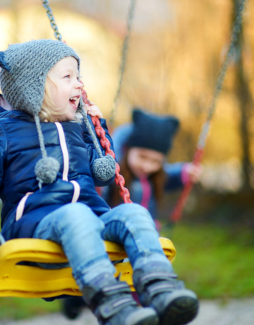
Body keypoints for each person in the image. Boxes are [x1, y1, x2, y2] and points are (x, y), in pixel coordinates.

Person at [0, 39, 198, 325]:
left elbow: (101, 172)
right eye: (68, 77)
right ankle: (111, 303)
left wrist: (98, 131)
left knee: (134, 213)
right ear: (34, 86)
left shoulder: (77, 127)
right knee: (75, 214)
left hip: (91, 217)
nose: (79, 85)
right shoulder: (5, 130)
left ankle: (160, 288)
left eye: (78, 76)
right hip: (35, 225)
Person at [62, 109, 202, 320]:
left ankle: (145, 309)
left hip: (142, 236)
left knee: (138, 279)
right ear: (127, 150)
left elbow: (168, 177)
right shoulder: (113, 172)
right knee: (109, 277)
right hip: (112, 234)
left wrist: (184, 172)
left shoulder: (153, 176)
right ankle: (76, 299)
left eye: (156, 161)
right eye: (142, 157)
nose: (148, 166)